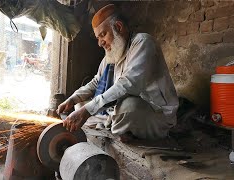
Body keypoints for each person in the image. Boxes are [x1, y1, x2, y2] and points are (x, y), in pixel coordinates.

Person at [57, 4, 179, 142]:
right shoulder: (112, 53)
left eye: (103, 35)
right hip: (119, 109)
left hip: (154, 113)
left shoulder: (143, 42)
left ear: (119, 27)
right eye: (97, 38)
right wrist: (73, 98)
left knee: (128, 107)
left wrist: (87, 110)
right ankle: (119, 127)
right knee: (80, 105)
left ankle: (117, 125)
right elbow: (96, 81)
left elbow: (128, 84)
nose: (100, 43)